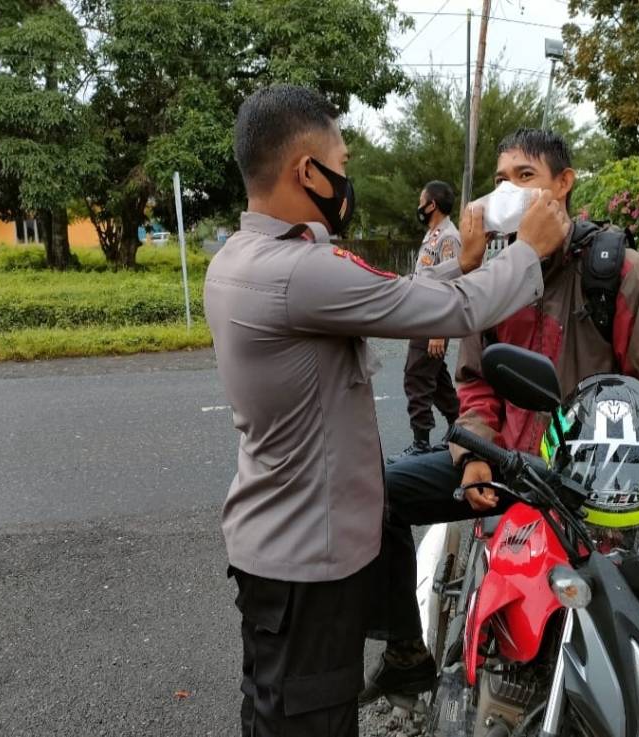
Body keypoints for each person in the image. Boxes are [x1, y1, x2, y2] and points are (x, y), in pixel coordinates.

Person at [204, 88, 571, 737]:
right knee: (307, 720)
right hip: (307, 561)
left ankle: (405, 655)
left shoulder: (241, 256)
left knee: (275, 703)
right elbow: (455, 311)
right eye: (341, 162)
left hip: (276, 542)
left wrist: (464, 263)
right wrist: (526, 251)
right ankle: (406, 655)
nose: (348, 179)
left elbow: (392, 295)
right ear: (308, 172)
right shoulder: (301, 272)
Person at [363, 128, 639, 703]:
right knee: (376, 493)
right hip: (505, 467)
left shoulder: (622, 277)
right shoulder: (497, 278)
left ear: (564, 184)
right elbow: (475, 383)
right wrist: (473, 457)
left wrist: (610, 484)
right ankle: (406, 654)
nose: (508, 191)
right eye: (500, 180)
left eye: (525, 176)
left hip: (586, 492)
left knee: (623, 650)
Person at [389, 181, 463, 461]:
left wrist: (439, 331)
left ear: (432, 205)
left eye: (422, 201)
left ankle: (421, 443)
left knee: (416, 377)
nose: (418, 206)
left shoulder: (449, 238)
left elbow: (451, 285)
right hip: (424, 317)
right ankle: (462, 431)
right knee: (437, 379)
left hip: (433, 320)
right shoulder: (433, 235)